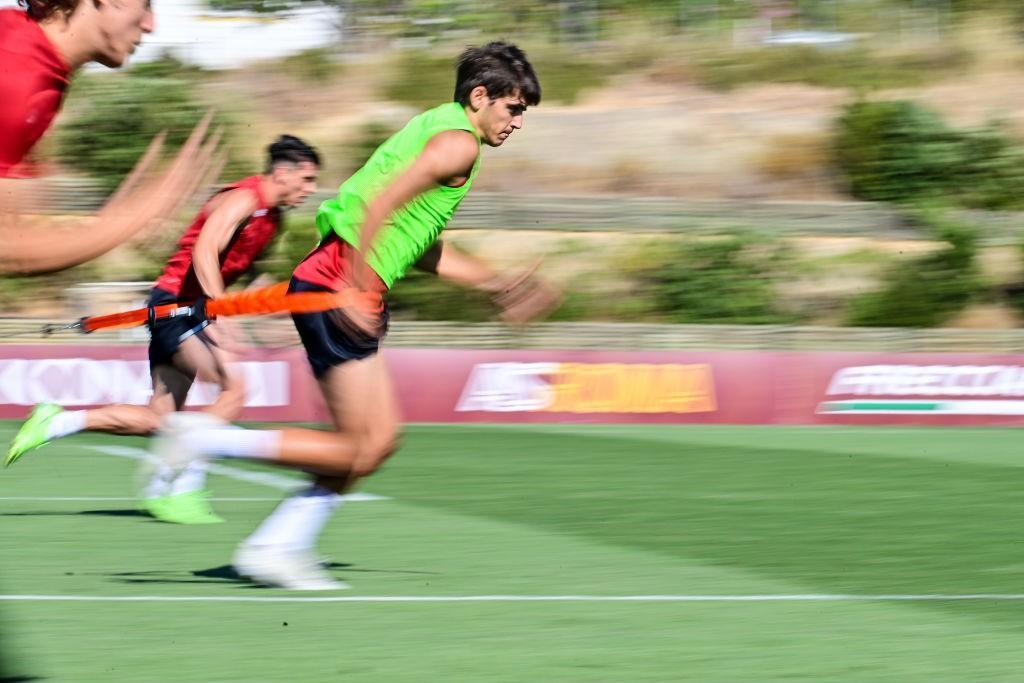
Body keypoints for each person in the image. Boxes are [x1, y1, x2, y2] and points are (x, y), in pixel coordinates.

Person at [150, 41, 559, 590]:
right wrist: (362, 285)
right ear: (480, 96)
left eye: (523, 113)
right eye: (513, 109)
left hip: (333, 279)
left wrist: (495, 282)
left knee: (378, 441)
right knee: (357, 446)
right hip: (339, 285)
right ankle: (207, 442)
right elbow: (380, 204)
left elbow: (417, 241)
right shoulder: (459, 145)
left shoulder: (438, 129)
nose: (517, 122)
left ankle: (275, 545)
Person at [4, 135, 322, 526]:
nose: (310, 190)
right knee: (234, 389)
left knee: (159, 418)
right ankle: (182, 483)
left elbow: (242, 266)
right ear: (282, 172)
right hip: (178, 306)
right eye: (306, 180)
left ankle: (55, 422)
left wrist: (267, 307)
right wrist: (221, 313)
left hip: (186, 307)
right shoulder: (243, 200)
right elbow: (205, 251)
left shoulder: (272, 219)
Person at [0, 0, 218, 274]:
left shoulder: (30, 53)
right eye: (146, 4)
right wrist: (131, 219)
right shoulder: (16, 74)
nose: (151, 25)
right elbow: (7, 250)